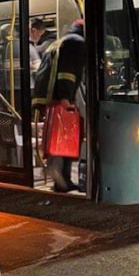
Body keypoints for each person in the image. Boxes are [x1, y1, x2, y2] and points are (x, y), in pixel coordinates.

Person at [32, 19, 87, 193]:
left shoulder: (59, 42)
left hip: (48, 97)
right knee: (69, 136)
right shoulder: (76, 42)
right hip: (60, 97)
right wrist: (66, 97)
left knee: (58, 136)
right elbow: (67, 72)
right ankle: (58, 171)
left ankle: (61, 177)